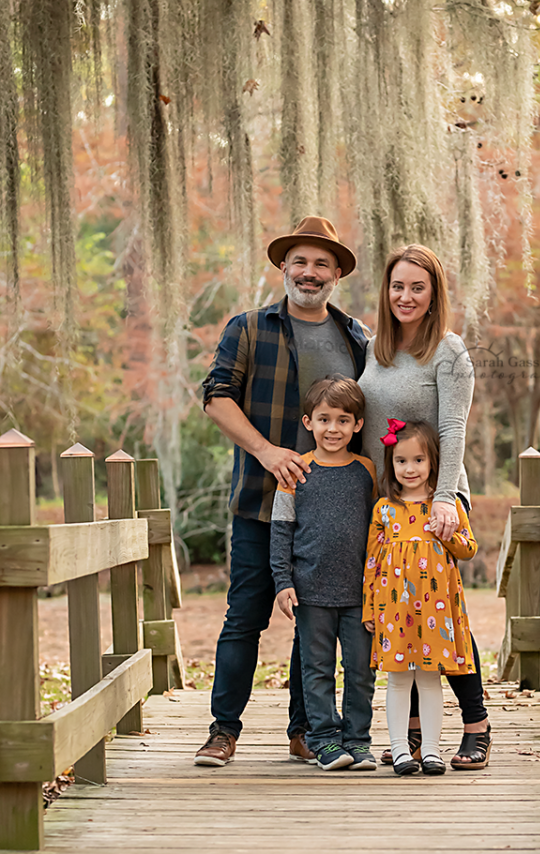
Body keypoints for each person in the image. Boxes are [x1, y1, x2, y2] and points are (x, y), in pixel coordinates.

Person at [194, 217, 369, 767]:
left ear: (337, 272)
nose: (309, 272)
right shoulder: (248, 328)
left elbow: (371, 415)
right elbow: (216, 397)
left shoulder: (356, 336)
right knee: (245, 616)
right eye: (300, 261)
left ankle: (306, 731)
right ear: (283, 267)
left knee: (314, 624)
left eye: (322, 263)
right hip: (260, 503)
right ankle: (224, 730)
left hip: (329, 515)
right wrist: (266, 451)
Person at [359, 243, 492, 770]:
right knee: (403, 613)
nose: (406, 296)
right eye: (398, 286)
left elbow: (454, 429)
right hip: (389, 502)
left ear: (434, 293)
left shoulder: (450, 351)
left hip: (436, 500)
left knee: (442, 615)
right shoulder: (374, 349)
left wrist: (444, 502)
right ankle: (415, 731)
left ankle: (477, 723)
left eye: (418, 287)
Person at [270, 376, 377, 770]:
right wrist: (283, 582)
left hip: (359, 593)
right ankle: (324, 741)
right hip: (311, 591)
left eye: (344, 420)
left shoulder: (367, 470)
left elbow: (378, 528)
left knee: (360, 671)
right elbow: (280, 531)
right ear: (308, 422)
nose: (334, 429)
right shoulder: (297, 472)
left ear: (358, 425)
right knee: (316, 671)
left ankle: (358, 740)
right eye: (325, 419)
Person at [363, 420, 478, 775]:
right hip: (394, 607)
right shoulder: (384, 509)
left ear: (434, 464)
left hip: (436, 606)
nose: (409, 469)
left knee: (430, 678)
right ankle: (400, 750)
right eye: (401, 461)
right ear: (390, 464)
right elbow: (371, 562)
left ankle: (430, 751)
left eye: (418, 460)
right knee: (398, 678)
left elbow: (468, 549)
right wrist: (370, 607)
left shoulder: (447, 506)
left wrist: (446, 534)